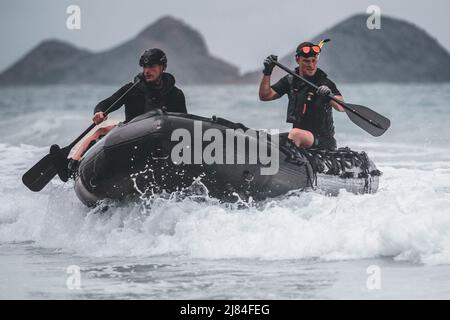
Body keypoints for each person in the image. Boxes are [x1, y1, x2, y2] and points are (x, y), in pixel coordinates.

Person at [67, 48, 187, 175]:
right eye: (144, 66)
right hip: (130, 133)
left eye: (152, 66)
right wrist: (99, 113)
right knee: (100, 132)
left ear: (163, 67)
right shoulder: (131, 89)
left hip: (160, 138)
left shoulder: (175, 94)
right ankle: (74, 164)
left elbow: (183, 123)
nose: (147, 71)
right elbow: (105, 104)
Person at [258, 41, 345, 150]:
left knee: (295, 134)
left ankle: (292, 161)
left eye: (314, 61)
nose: (311, 65)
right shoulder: (290, 80)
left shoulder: (324, 82)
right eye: (306, 61)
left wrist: (329, 95)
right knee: (265, 139)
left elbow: (341, 107)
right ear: (297, 60)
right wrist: (267, 72)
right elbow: (265, 96)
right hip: (299, 137)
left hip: (323, 141)